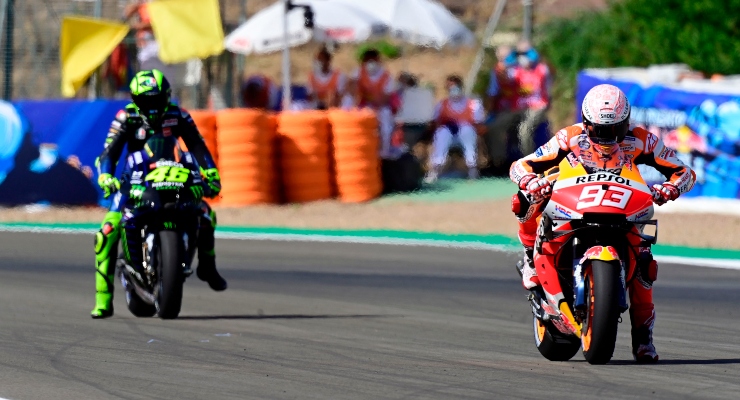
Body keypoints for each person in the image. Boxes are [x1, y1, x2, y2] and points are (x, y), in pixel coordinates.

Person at [509, 84, 696, 363]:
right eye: (599, 129)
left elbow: (685, 172)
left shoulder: (643, 140)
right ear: (586, 123)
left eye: (614, 129)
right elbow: (522, 165)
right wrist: (530, 180)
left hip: (623, 208)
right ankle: (529, 258)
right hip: (574, 201)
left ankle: (643, 339)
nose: (607, 137)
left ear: (626, 122)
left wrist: (669, 189)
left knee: (645, 266)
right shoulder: (568, 137)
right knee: (524, 199)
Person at [91, 69, 226, 319]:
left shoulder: (178, 115)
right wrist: (105, 175)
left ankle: (208, 267)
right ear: (135, 100)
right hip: (135, 180)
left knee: (206, 213)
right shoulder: (127, 117)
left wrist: (210, 173)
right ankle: (103, 298)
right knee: (107, 230)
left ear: (167, 97)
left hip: (174, 176)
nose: (152, 107)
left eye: (156, 100)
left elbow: (197, 146)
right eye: (145, 101)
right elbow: (108, 153)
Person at [425, 75, 485, 183]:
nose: (453, 90)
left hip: (467, 135)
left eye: (455, 87)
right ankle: (436, 168)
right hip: (449, 135)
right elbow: (435, 123)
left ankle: (472, 168)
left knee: (466, 129)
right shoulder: (441, 105)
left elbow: (479, 123)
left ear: (460, 87)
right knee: (441, 133)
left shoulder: (473, 104)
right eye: (450, 87)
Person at [351, 48, 396, 157]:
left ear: (378, 61)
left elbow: (384, 99)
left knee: (386, 121)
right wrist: (358, 92)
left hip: (380, 108)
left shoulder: (386, 76)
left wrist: (367, 95)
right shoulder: (359, 72)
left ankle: (384, 152)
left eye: (372, 60)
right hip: (362, 105)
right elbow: (351, 87)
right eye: (367, 61)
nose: (370, 64)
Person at [509, 40, 551, 156]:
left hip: (538, 107)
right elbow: (503, 68)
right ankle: (499, 162)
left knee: (524, 129)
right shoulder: (515, 71)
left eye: (525, 55)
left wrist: (530, 51)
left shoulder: (541, 69)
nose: (523, 58)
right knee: (498, 125)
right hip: (519, 108)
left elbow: (549, 68)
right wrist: (515, 53)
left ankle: (528, 160)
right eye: (520, 55)